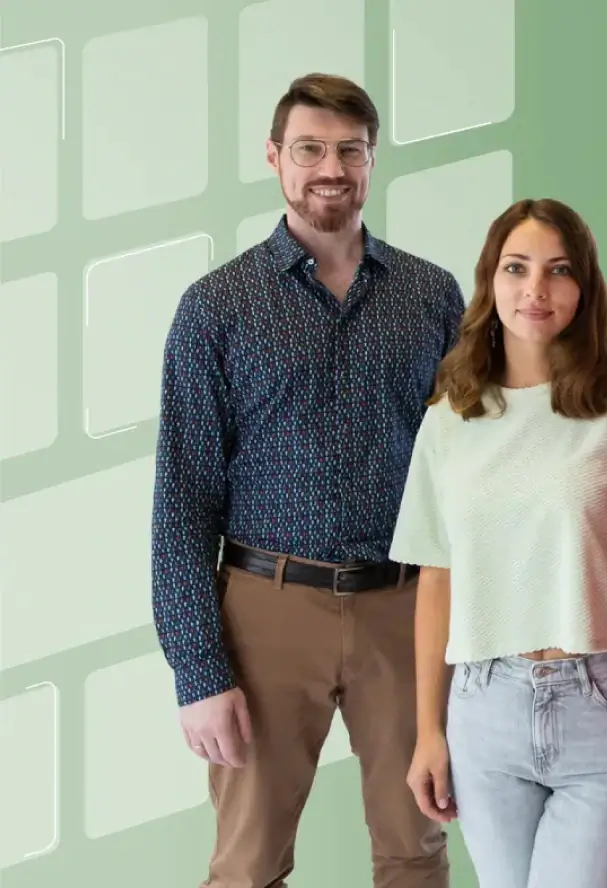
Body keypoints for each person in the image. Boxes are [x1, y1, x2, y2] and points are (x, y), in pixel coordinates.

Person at [151, 73, 462, 887]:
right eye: (311, 149)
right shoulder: (215, 307)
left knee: (415, 850)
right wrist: (199, 671)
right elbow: (181, 501)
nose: (332, 167)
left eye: (350, 150)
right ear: (274, 158)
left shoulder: (431, 296)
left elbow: (467, 471)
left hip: (406, 607)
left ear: (371, 161)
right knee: (247, 863)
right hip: (265, 612)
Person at [389, 197, 607, 887]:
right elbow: (435, 578)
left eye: (559, 271)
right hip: (484, 708)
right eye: (516, 268)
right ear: (489, 282)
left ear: (584, 288)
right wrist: (429, 731)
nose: (535, 289)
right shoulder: (451, 418)